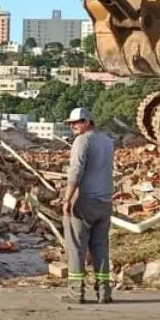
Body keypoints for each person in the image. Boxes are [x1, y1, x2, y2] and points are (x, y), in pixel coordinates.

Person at [61, 106, 116, 303]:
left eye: (76, 123)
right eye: (71, 124)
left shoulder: (82, 141)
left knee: (77, 247)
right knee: (100, 247)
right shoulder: (108, 142)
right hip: (105, 202)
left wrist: (67, 199)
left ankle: (76, 293)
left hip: (85, 200)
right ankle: (104, 292)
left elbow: (76, 170)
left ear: (87, 122)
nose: (73, 127)